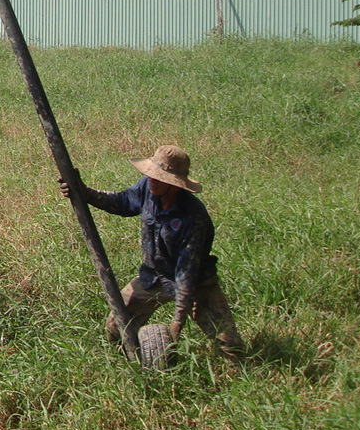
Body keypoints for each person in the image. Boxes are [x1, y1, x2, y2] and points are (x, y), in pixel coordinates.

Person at [60, 144, 242, 353]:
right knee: (117, 326)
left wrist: (176, 325)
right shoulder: (149, 187)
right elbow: (122, 202)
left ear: (175, 183)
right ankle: (136, 362)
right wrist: (84, 192)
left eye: (160, 177)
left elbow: (186, 274)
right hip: (154, 276)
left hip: (197, 281)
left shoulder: (193, 218)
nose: (153, 179)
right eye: (152, 174)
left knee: (229, 346)